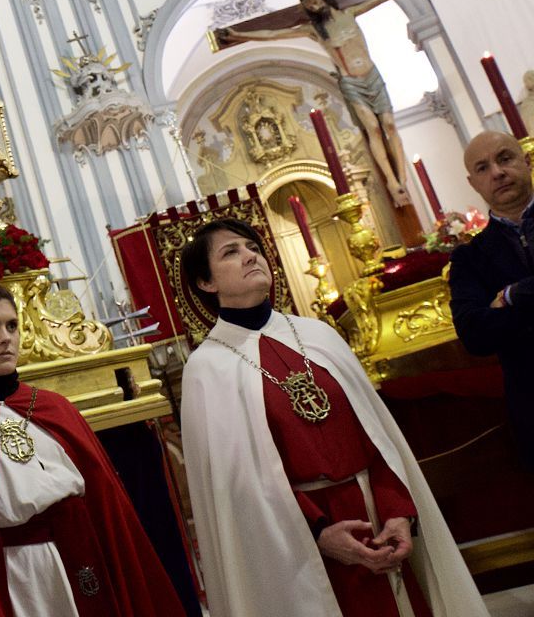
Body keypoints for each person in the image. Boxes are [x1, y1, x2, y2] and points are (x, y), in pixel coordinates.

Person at [179, 219, 487, 617]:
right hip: (297, 544)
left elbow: (375, 437)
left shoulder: (318, 335)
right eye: (230, 252)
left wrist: (397, 510)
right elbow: (239, 486)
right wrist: (319, 531)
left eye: (251, 246)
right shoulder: (208, 368)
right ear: (206, 283)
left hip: (378, 521)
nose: (250, 255)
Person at [0, 281, 188, 616]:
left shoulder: (56, 408)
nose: (5, 337)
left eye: (12, 326)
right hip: (18, 576)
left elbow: (106, 505)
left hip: (85, 557)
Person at [216, 0, 427, 207]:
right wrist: (238, 35)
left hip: (372, 77)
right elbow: (273, 35)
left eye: (316, 2)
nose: (315, 7)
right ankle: (392, 182)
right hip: (351, 82)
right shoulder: (314, 31)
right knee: (374, 128)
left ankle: (402, 179)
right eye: (310, 7)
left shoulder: (350, 13)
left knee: (390, 125)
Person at [448, 130, 534, 468]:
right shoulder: (470, 259)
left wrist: (512, 295)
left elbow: (493, 322)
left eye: (505, 158)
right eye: (482, 168)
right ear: (473, 183)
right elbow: (475, 335)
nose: (496, 172)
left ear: (526, 161)